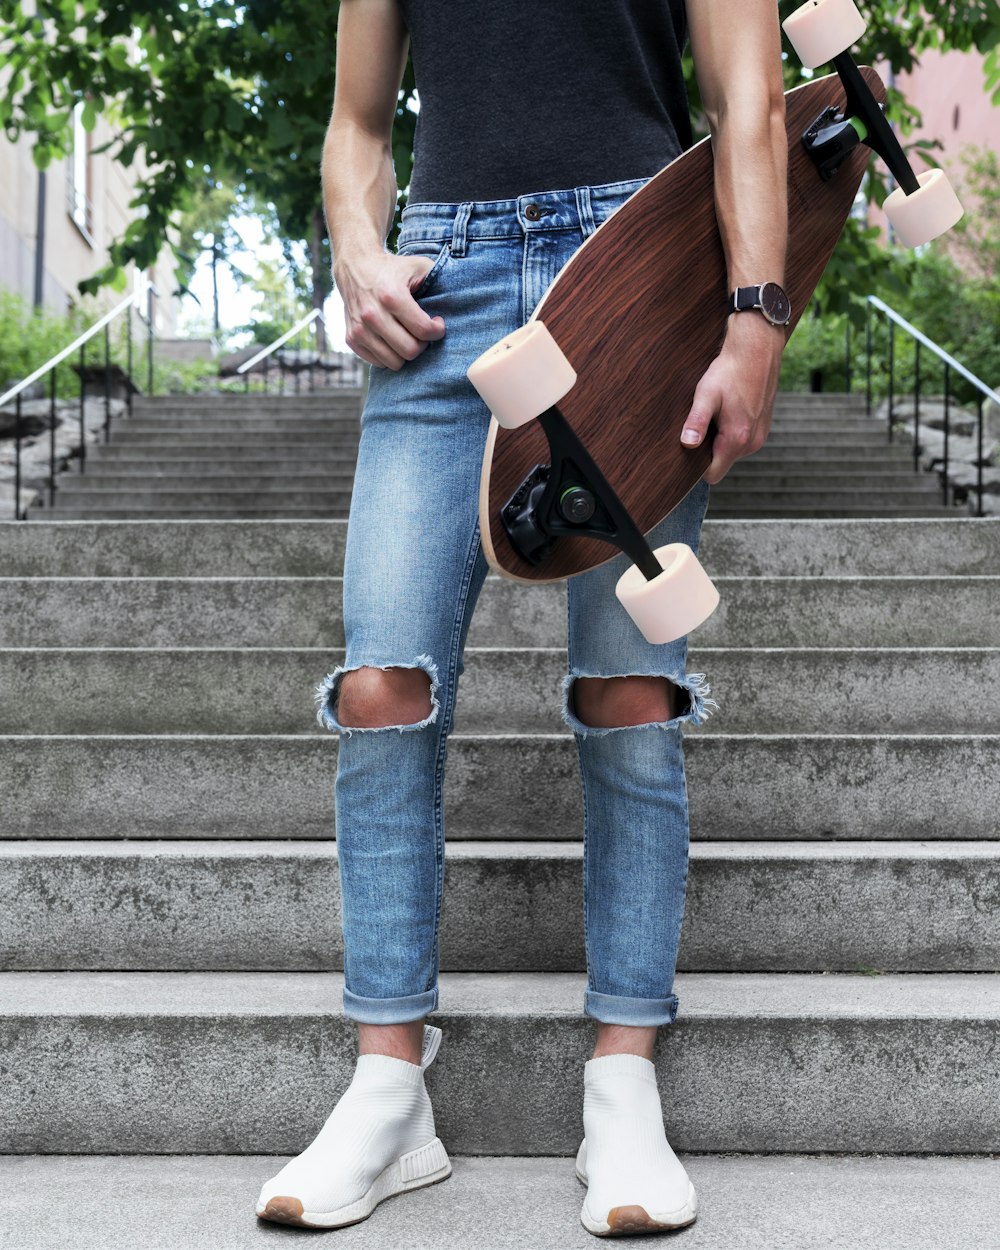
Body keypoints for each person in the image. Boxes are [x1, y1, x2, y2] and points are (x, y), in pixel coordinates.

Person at [257, 0, 788, 1235]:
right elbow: (355, 120)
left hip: (632, 268)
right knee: (382, 684)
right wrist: (355, 248)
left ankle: (621, 1084)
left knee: (630, 693)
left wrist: (752, 318)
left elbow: (746, 99)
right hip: (441, 290)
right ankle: (390, 1091)